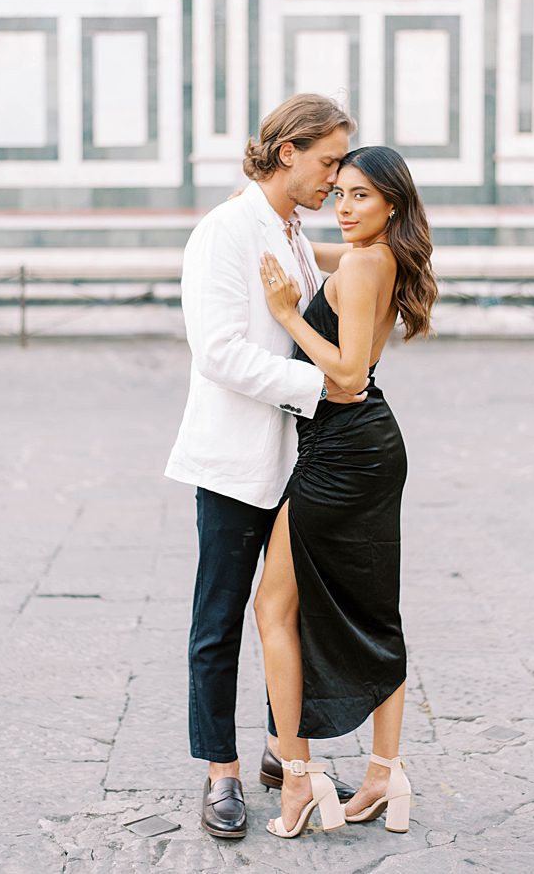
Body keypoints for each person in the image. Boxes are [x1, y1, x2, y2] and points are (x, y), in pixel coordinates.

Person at [164, 93, 363, 839]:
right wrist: (320, 385)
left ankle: (285, 753)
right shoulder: (226, 231)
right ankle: (221, 770)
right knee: (219, 617)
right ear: (289, 152)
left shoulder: (296, 233)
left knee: (290, 613)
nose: (335, 177)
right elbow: (216, 350)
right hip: (234, 459)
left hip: (296, 460)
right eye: (328, 160)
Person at [252, 145, 437, 838]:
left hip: (343, 447)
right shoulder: (381, 260)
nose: (345, 208)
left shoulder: (363, 263)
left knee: (273, 606)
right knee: (372, 607)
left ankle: (298, 780)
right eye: (340, 194)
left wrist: (287, 314)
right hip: (367, 449)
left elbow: (349, 374)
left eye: (361, 196)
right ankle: (385, 770)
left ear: (392, 202)